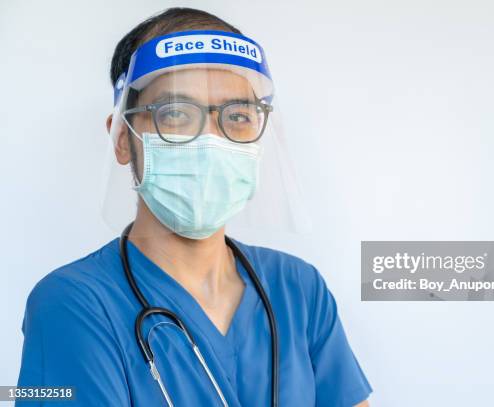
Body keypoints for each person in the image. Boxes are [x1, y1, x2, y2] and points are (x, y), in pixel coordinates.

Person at [16, 7, 372, 407]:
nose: (211, 142)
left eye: (237, 116)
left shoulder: (298, 289)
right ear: (121, 137)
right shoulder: (70, 303)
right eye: (175, 114)